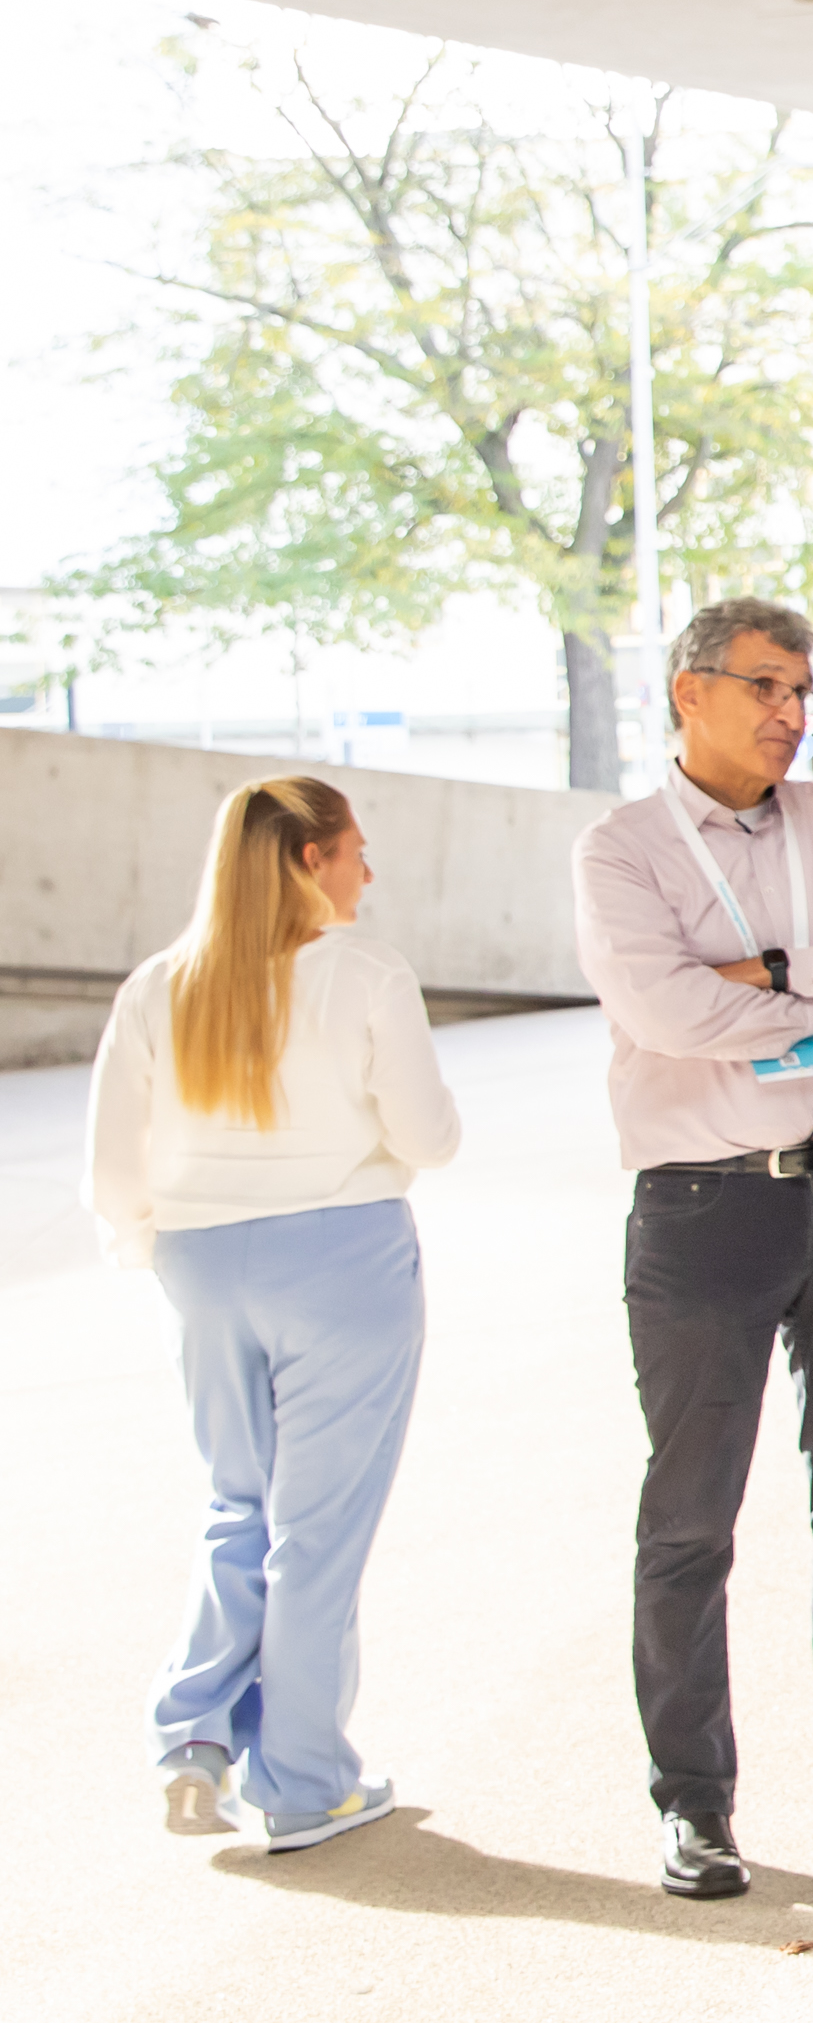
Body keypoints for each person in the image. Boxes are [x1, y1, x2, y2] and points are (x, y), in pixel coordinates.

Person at [573, 597, 813, 1900]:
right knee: (689, 1520)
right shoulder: (622, 852)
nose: (792, 716)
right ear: (689, 693)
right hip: (704, 1211)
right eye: (764, 688)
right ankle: (694, 1803)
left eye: (804, 691)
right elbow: (664, 1008)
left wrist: (772, 966)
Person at [89, 775, 461, 1855]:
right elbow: (429, 1139)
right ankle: (303, 1783)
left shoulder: (161, 986)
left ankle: (192, 1739)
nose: (367, 871)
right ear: (311, 861)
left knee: (233, 1506)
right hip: (342, 1256)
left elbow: (114, 1166)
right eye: (354, 851)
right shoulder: (365, 973)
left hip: (199, 1263)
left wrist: (152, 1247)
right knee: (318, 1532)